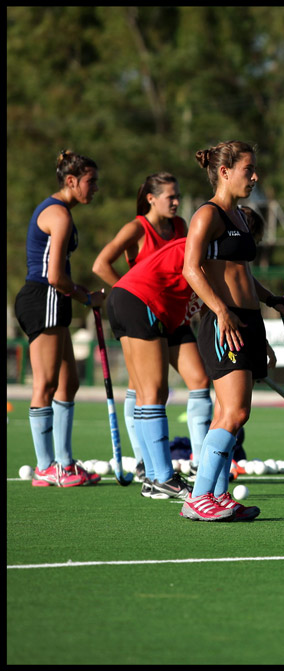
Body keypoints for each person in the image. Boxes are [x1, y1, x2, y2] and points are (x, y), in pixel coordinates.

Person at [181, 141, 284, 521]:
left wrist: (272, 300)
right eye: (248, 169)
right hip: (223, 322)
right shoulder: (207, 215)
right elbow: (191, 269)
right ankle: (197, 499)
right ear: (225, 172)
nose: (255, 176)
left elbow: (243, 274)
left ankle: (216, 494)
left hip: (246, 321)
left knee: (228, 413)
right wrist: (221, 312)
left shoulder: (240, 218)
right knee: (235, 411)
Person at [92, 172, 212, 496]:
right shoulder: (137, 228)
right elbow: (101, 264)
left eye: (177, 195)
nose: (175, 201)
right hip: (143, 306)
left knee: (198, 380)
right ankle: (151, 468)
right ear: (151, 198)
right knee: (148, 390)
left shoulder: (181, 227)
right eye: (169, 196)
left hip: (170, 312)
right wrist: (128, 287)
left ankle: (201, 463)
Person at [15, 150, 105, 488]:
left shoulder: (60, 211)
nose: (95, 188)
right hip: (44, 298)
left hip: (52, 299)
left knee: (69, 384)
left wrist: (78, 292)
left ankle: (65, 464)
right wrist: (86, 297)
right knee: (47, 384)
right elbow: (54, 276)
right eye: (90, 182)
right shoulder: (59, 215)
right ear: (71, 181)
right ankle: (44, 467)